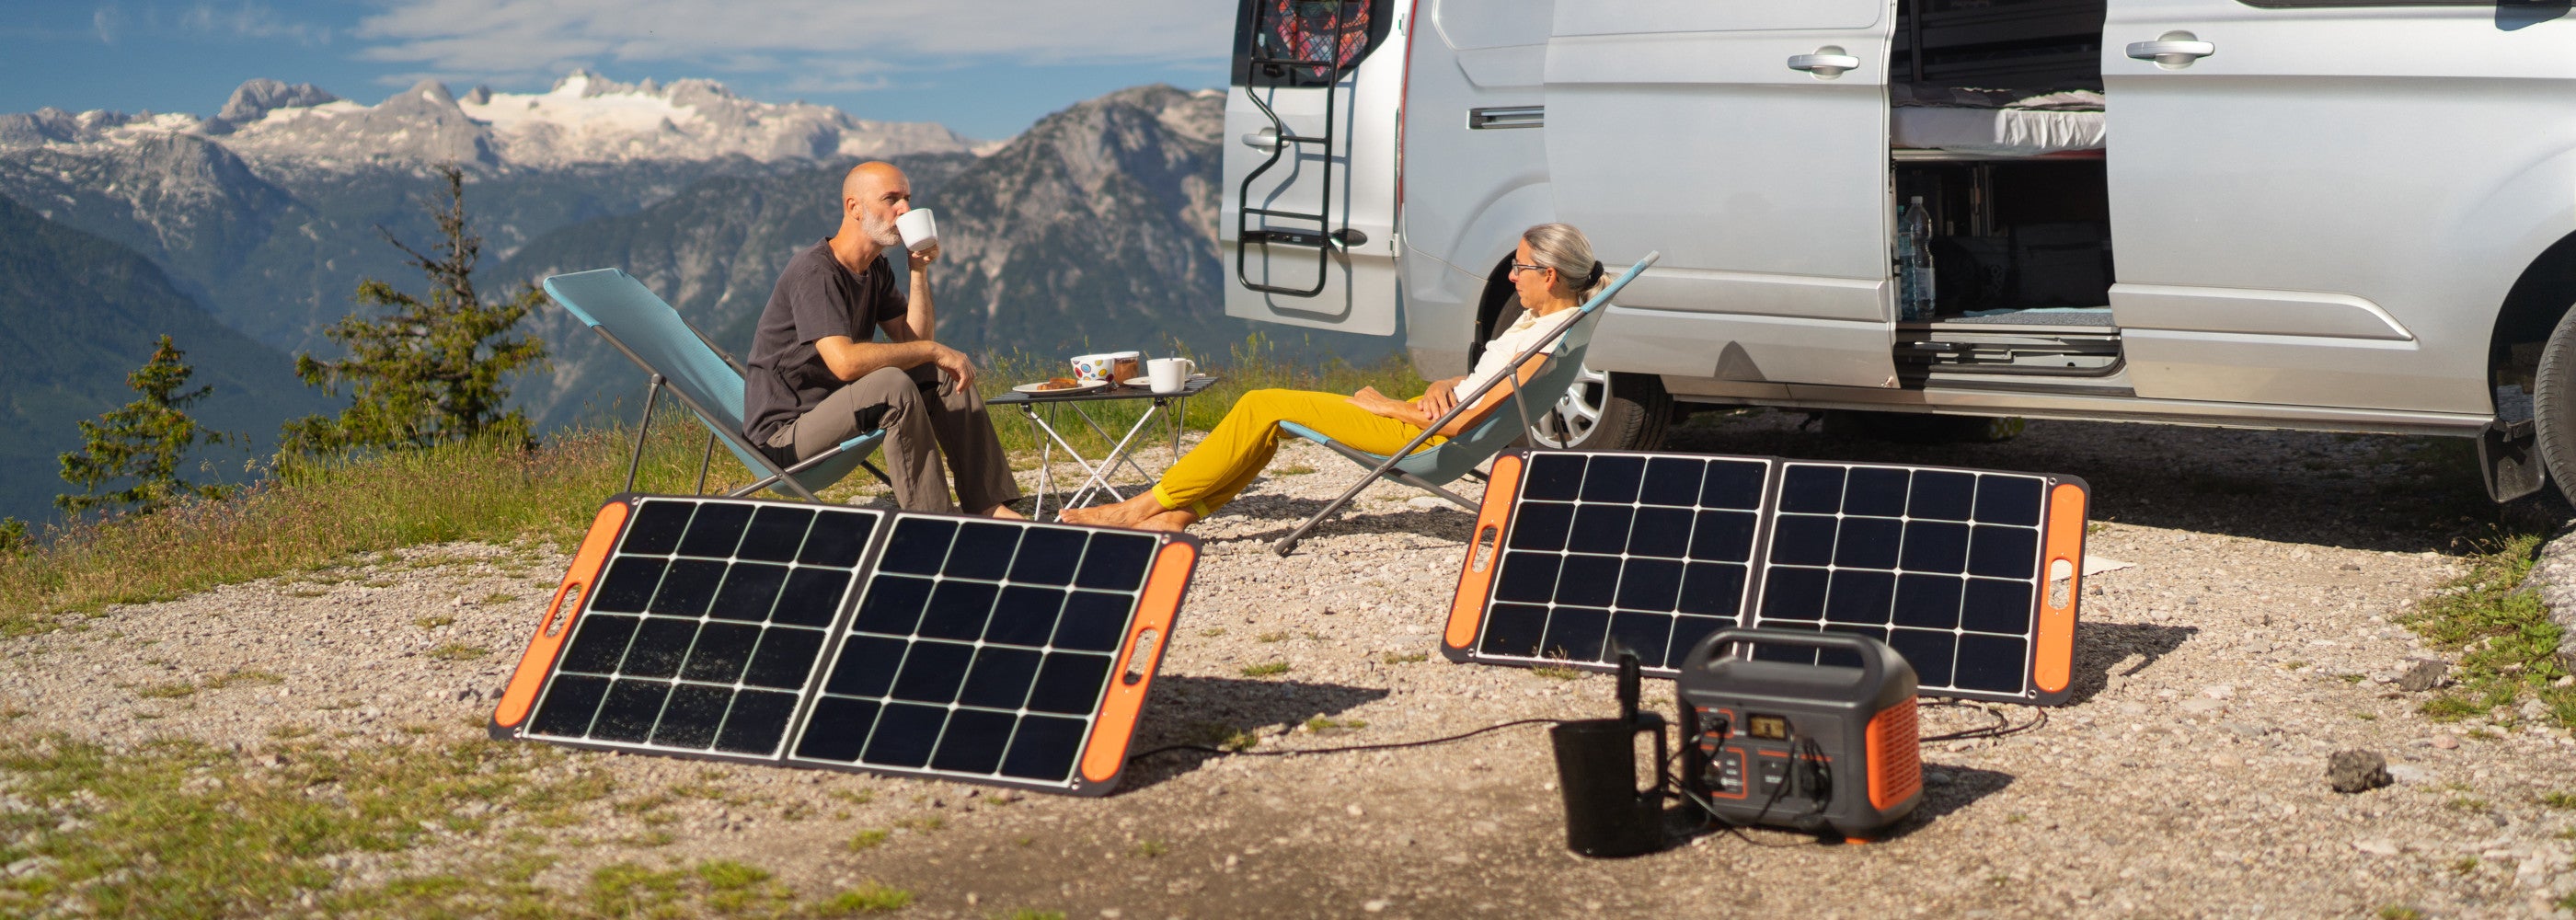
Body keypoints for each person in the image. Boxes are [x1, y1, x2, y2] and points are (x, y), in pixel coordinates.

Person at [1063, 223, 1609, 533]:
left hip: (1421, 438)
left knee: (1260, 404)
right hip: (1430, 418)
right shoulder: (1551, 323)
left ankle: (1138, 508)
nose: (1511, 278)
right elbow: (1478, 390)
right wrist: (1441, 384)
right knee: (1271, 417)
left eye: (1519, 268)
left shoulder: (1544, 339)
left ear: (1550, 274)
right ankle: (1178, 512)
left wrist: (1392, 407)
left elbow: (1465, 419)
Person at [742, 161, 1022, 517]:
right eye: (891, 199)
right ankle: (934, 522)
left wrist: (918, 270)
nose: (904, 208)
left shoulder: (875, 268)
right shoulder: (816, 272)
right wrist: (933, 350)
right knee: (893, 383)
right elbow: (845, 363)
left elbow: (915, 343)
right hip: (782, 440)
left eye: (906, 198)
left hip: (837, 409)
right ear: (854, 208)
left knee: (940, 375)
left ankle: (988, 505)